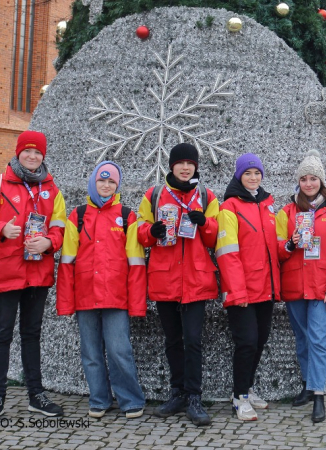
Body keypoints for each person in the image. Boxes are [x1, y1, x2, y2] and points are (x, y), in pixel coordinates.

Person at [0, 130, 66, 420]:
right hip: (6, 272)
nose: (32, 156)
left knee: (32, 334)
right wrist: (0, 229)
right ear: (18, 152)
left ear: (43, 156)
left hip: (38, 272)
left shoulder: (51, 189)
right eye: (27, 151)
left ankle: (36, 395)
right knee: (1, 335)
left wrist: (50, 242)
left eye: (37, 153)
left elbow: (60, 227)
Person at [56, 161, 147, 419]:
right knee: (91, 352)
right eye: (102, 181)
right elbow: (67, 262)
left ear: (117, 186)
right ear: (93, 182)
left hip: (116, 297)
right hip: (85, 296)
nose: (106, 186)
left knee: (120, 351)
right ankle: (99, 399)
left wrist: (137, 303)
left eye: (111, 182)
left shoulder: (128, 216)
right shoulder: (78, 215)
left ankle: (130, 400)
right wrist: (65, 302)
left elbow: (137, 263)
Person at [137, 143, 218, 427]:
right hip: (165, 278)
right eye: (181, 163)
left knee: (193, 341)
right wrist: (151, 231)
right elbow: (140, 229)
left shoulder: (206, 196)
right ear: (171, 166)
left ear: (196, 166)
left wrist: (205, 223)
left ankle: (194, 396)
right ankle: (177, 393)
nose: (186, 168)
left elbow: (215, 238)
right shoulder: (155, 194)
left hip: (195, 280)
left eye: (190, 163)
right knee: (172, 341)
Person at [276, 150, 326, 423]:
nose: (308, 184)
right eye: (304, 179)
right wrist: (290, 243)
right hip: (295, 286)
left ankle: (319, 394)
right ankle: (308, 385)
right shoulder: (287, 212)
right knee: (302, 338)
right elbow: (278, 251)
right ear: (298, 182)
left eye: (313, 178)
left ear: (321, 181)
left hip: (322, 288)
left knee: (318, 339)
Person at [216, 153, 280, 421]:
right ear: (239, 176)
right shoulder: (229, 207)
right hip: (242, 290)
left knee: (260, 340)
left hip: (266, 287)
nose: (253, 178)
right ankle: (239, 396)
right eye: (248, 174)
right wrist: (237, 291)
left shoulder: (267, 204)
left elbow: (273, 247)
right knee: (247, 342)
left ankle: (248, 388)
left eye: (257, 173)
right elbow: (227, 253)